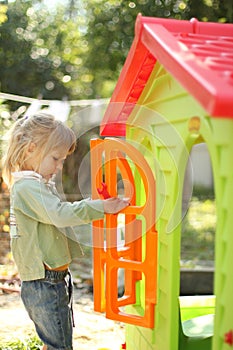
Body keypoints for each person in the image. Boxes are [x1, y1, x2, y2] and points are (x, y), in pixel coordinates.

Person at [2, 112, 129, 350]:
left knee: (57, 342)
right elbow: (60, 213)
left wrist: (95, 204)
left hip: (53, 280)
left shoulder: (35, 184)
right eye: (56, 159)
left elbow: (58, 213)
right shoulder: (28, 187)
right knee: (60, 345)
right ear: (31, 149)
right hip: (45, 283)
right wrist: (100, 207)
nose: (59, 167)